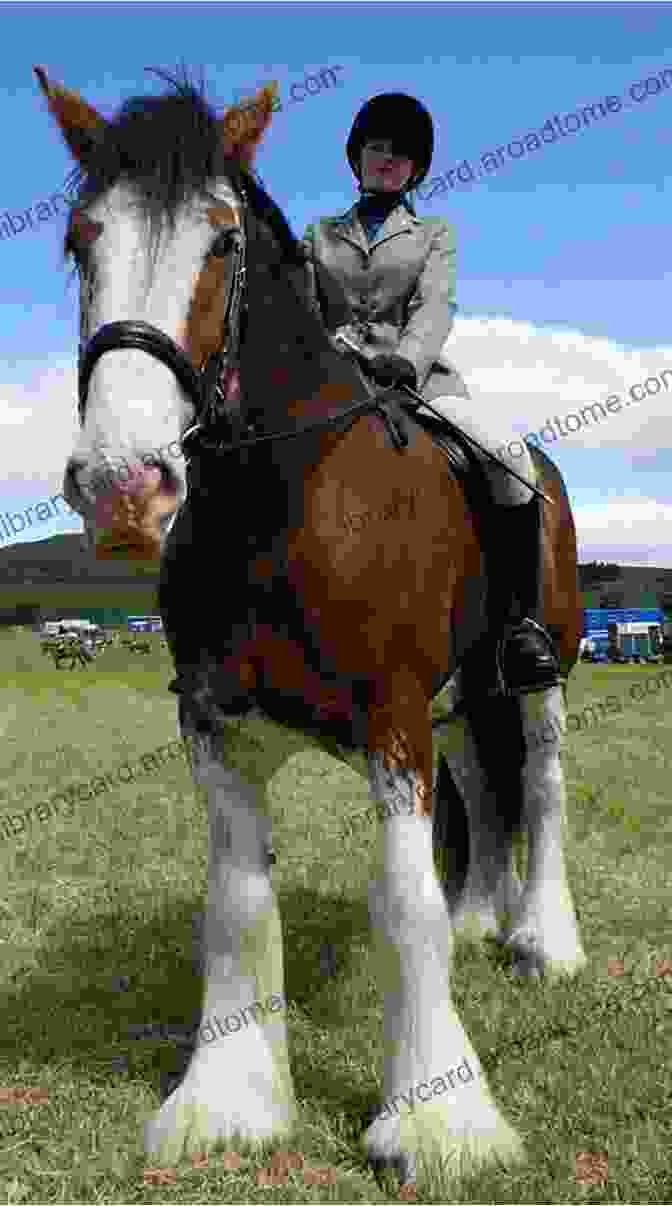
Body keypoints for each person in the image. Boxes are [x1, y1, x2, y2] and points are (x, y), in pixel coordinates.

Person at [300, 92, 561, 695]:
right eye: (378, 148)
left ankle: (519, 625)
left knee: (508, 455)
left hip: (416, 383)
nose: (388, 161)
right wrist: (325, 348)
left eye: (402, 155)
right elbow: (304, 312)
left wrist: (405, 360)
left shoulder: (433, 233)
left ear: (416, 168)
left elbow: (435, 305)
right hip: (336, 385)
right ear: (357, 157)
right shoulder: (318, 234)